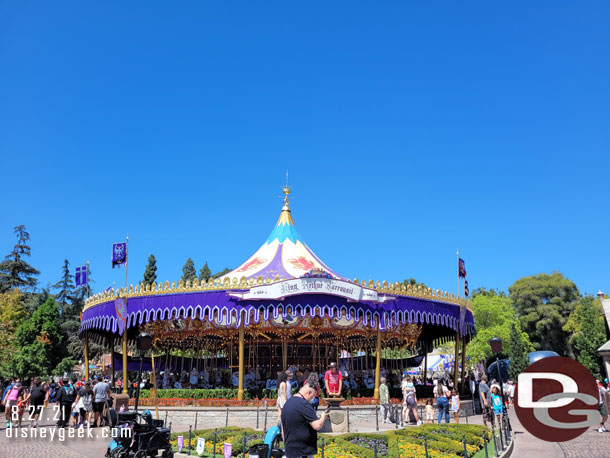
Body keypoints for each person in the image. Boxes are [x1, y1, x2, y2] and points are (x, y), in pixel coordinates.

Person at [281, 373, 329, 458]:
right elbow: (317, 425)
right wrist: (323, 417)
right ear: (309, 392)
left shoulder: (288, 403)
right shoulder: (304, 404)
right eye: (313, 396)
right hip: (303, 452)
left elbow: (282, 427)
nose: (312, 399)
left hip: (290, 450)